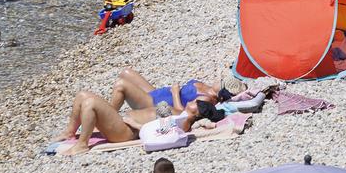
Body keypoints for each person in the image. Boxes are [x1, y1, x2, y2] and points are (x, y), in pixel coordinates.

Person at [61, 91, 222, 152]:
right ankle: (70, 133)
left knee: (90, 103)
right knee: (82, 95)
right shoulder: (180, 118)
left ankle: (82, 144)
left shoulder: (183, 122)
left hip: (125, 131)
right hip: (125, 125)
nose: (193, 100)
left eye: (196, 102)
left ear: (196, 111)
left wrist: (135, 124)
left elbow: (160, 131)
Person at [106, 69, 238, 117]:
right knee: (126, 73)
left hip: (155, 104)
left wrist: (175, 93)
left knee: (120, 86)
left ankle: (108, 117)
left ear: (220, 91)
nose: (219, 79)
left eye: (222, 81)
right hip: (156, 93)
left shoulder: (207, 99)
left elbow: (183, 113)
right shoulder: (207, 87)